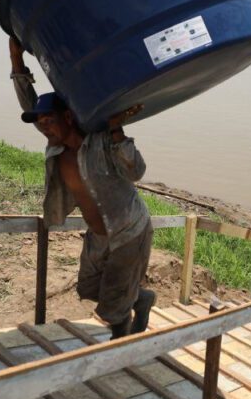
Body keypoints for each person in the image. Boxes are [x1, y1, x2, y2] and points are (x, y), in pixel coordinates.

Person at [9, 37, 154, 339]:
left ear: (68, 117)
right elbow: (28, 101)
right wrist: (16, 60)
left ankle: (120, 347)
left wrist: (117, 131)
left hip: (129, 230)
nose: (43, 127)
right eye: (40, 123)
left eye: (48, 121)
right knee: (89, 289)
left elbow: (137, 172)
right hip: (98, 236)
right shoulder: (56, 144)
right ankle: (141, 299)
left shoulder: (100, 142)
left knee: (112, 311)